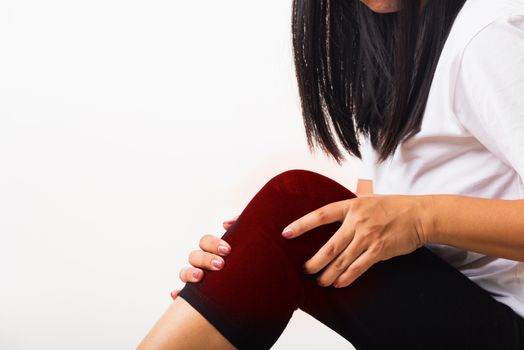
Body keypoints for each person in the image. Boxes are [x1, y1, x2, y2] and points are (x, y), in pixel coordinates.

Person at [137, 0, 524, 349]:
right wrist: (248, 262)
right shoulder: (402, 52)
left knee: (291, 200)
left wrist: (422, 218)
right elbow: (371, 217)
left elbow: (404, 219)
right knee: (287, 227)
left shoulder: (487, 38)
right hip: (451, 311)